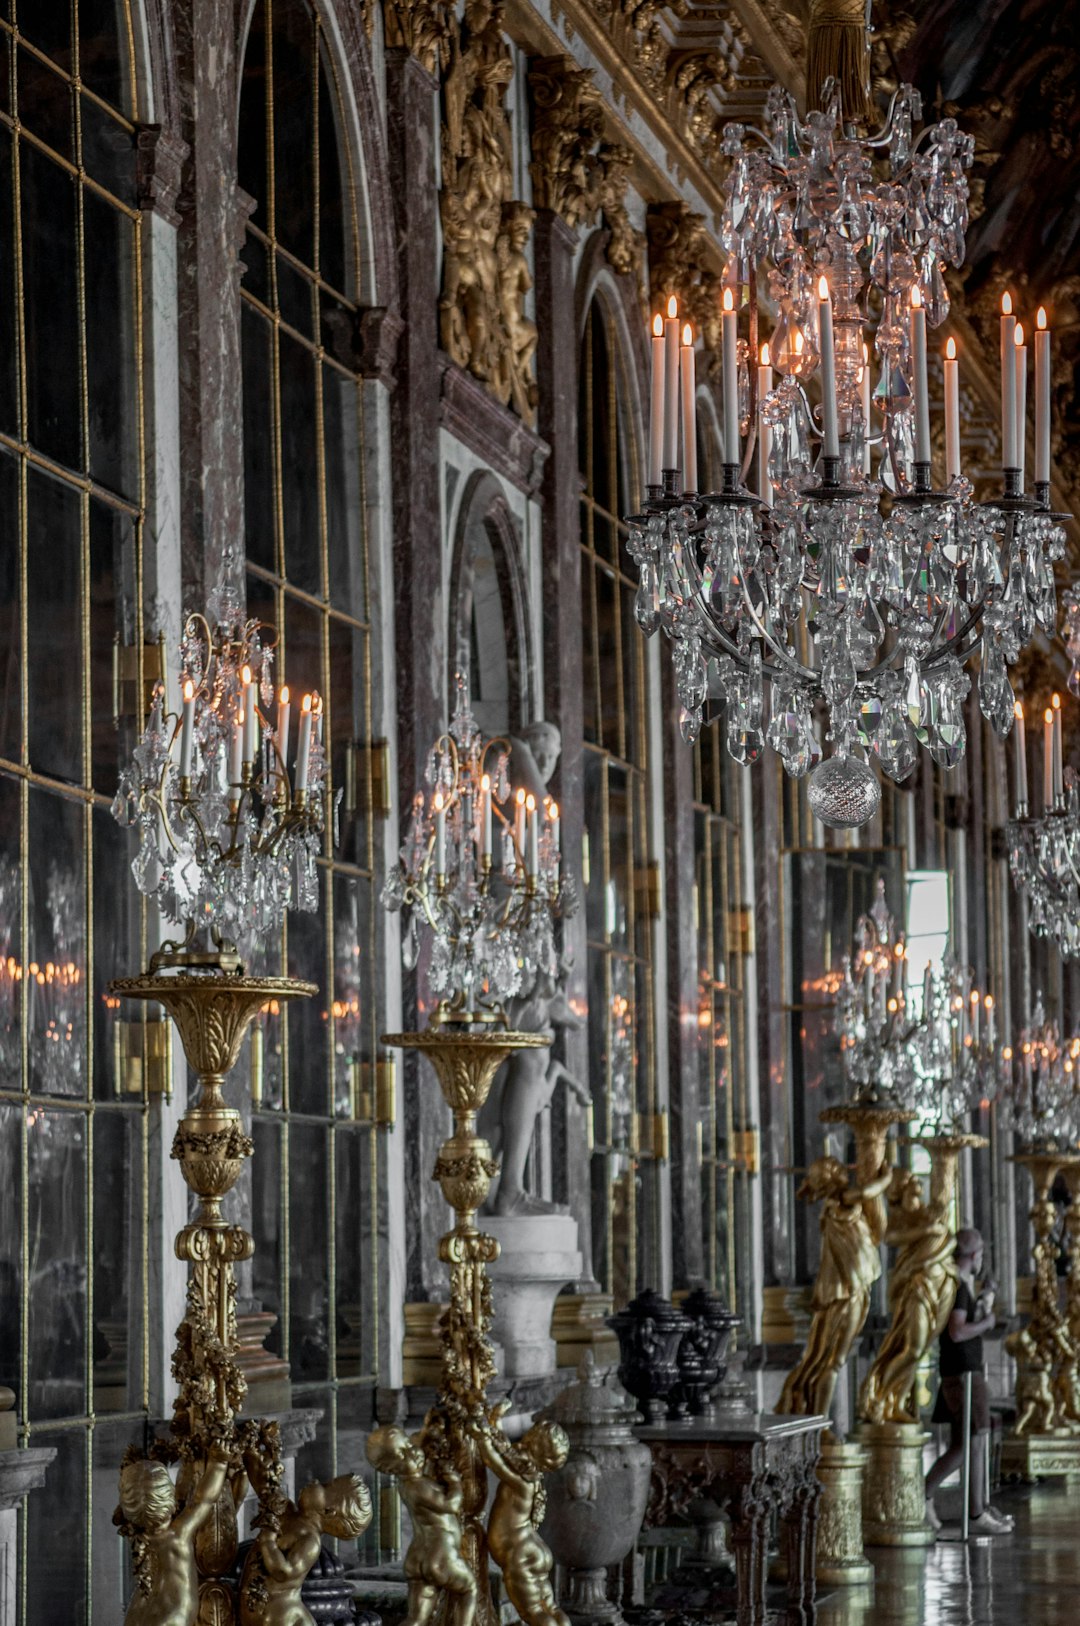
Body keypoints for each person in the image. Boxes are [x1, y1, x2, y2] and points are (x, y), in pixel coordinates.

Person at [924, 1228, 1014, 1536]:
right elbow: (957, 1331)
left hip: (960, 1372)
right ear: (974, 1256)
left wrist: (986, 1298)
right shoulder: (960, 1288)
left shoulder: (958, 1286)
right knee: (973, 1443)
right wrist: (988, 1323)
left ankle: (975, 1509)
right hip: (964, 1374)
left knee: (969, 1443)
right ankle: (968, 1510)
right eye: (981, 1256)